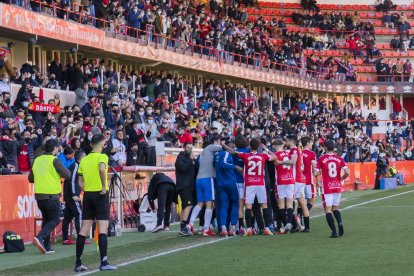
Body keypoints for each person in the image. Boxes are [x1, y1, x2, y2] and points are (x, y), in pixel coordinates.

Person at [74, 134, 117, 272]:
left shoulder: (84, 160)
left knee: (84, 228)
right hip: (100, 193)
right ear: (103, 143)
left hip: (88, 195)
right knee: (102, 226)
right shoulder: (102, 156)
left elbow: (79, 181)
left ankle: (78, 263)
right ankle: (104, 262)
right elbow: (101, 169)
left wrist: (85, 189)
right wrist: (104, 187)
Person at [28, 139, 71, 253]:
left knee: (47, 220)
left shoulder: (37, 160)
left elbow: (31, 179)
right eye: (57, 148)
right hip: (51, 195)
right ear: (54, 149)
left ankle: (47, 246)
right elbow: (67, 174)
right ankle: (40, 237)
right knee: (55, 220)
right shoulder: (54, 160)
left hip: (39, 196)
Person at [229, 138, 276, 236]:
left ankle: (249, 228)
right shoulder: (263, 156)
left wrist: (225, 146)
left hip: (250, 184)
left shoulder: (246, 156)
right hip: (260, 183)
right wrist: (266, 150)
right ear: (258, 146)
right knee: (264, 205)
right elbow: (274, 157)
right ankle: (266, 228)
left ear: (250, 146)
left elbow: (234, 153)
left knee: (248, 206)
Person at [314, 140, 350, 238]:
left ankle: (334, 232)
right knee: (335, 208)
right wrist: (341, 179)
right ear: (334, 148)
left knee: (328, 210)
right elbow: (347, 172)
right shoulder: (339, 159)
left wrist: (318, 170)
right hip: (337, 186)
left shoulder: (321, 159)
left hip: (327, 187)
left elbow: (315, 174)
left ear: (325, 147)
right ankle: (340, 222)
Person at [188, 137, 222, 237]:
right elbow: (221, 147)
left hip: (199, 179)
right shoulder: (211, 149)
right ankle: (206, 229)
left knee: (199, 203)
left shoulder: (201, 155)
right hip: (208, 179)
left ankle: (190, 223)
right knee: (209, 204)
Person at [62, 151, 91, 245]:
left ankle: (65, 238)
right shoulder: (75, 166)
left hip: (68, 195)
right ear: (81, 159)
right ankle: (81, 237)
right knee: (79, 214)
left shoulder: (76, 166)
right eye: (85, 157)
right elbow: (72, 181)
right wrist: (74, 194)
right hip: (72, 196)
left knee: (68, 216)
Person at [214, 143, 239, 236]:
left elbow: (215, 165)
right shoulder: (226, 154)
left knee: (224, 206)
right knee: (234, 204)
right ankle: (232, 227)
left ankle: (223, 227)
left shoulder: (216, 155)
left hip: (221, 183)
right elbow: (223, 164)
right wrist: (235, 167)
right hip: (230, 183)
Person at [286, 135, 310, 232]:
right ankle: (299, 225)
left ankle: (299, 225)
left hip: (296, 180)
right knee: (299, 203)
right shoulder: (298, 150)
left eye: (286, 141)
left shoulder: (294, 150)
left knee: (295, 203)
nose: (285, 143)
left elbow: (293, 161)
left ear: (290, 141)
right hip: (300, 179)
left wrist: (281, 162)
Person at [273, 139, 297, 233]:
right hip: (290, 179)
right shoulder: (288, 153)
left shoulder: (275, 155)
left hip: (280, 181)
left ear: (275, 146)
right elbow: (293, 162)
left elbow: (274, 162)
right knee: (290, 204)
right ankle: (289, 223)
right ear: (283, 145)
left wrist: (280, 162)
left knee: (281, 205)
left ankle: (286, 224)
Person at [175, 142, 196, 237]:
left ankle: (183, 226)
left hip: (189, 186)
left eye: (191, 148)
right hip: (183, 186)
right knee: (189, 205)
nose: (190, 149)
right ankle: (184, 227)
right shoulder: (181, 157)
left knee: (185, 206)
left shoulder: (190, 158)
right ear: (184, 148)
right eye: (188, 147)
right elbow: (183, 168)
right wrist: (190, 160)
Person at [233, 135, 250, 234]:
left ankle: (240, 226)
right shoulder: (248, 151)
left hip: (237, 180)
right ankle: (252, 226)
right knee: (249, 205)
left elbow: (234, 166)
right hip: (248, 181)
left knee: (239, 205)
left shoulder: (234, 152)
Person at [301, 137, 317, 212]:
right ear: (307, 143)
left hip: (299, 181)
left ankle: (299, 218)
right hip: (308, 181)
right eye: (311, 142)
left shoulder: (299, 153)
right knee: (311, 202)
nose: (312, 144)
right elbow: (314, 168)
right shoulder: (311, 153)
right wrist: (317, 179)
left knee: (301, 202)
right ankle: (300, 216)